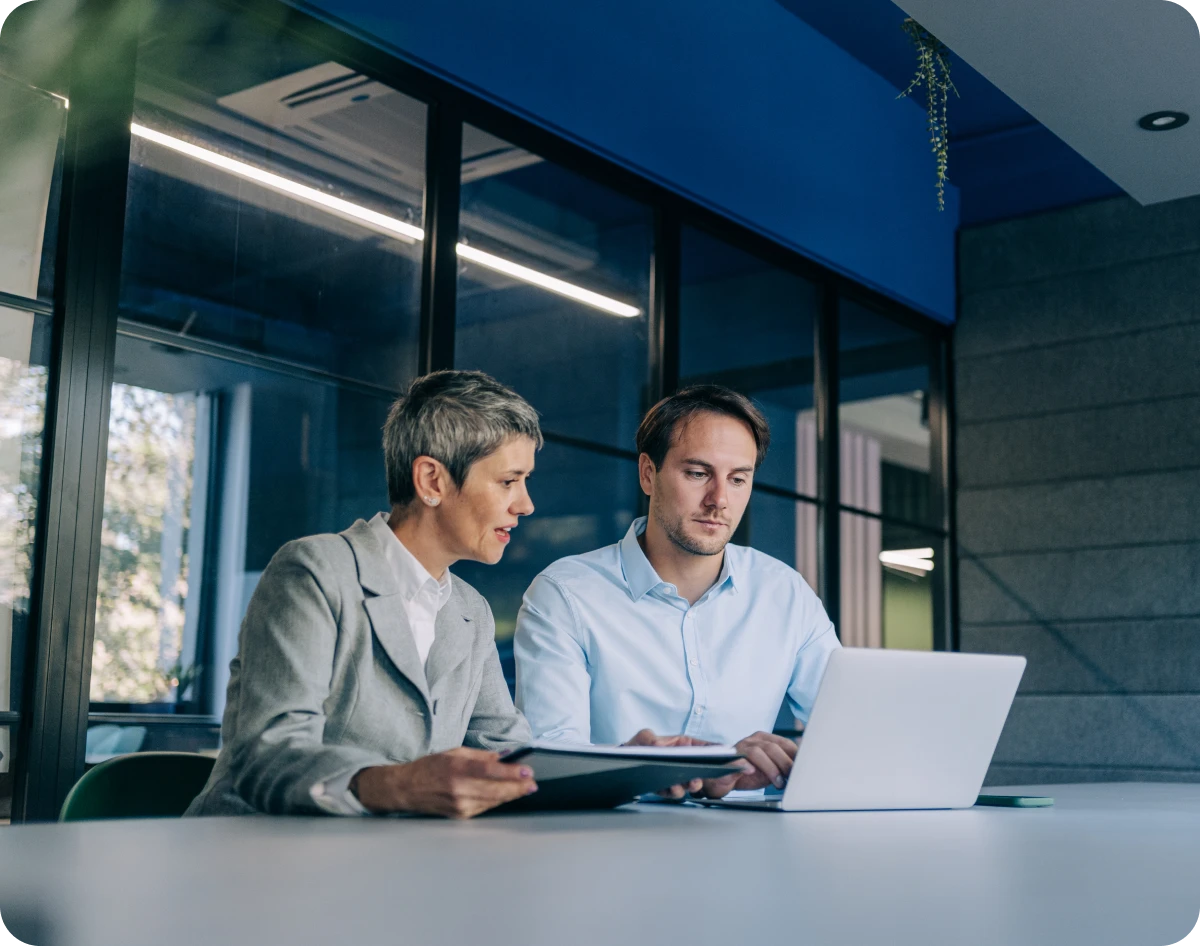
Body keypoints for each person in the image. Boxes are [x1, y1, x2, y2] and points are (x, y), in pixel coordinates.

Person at [187, 370, 541, 818]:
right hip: (264, 861)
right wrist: (400, 784)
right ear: (432, 481)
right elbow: (269, 754)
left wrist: (621, 766)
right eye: (509, 481)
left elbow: (513, 758)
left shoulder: (471, 610)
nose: (525, 504)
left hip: (398, 867)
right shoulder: (314, 572)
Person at [513, 385, 840, 798]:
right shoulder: (565, 594)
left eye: (738, 479)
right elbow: (550, 765)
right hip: (609, 842)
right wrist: (647, 767)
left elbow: (854, 731)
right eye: (698, 474)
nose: (719, 500)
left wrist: (792, 763)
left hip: (753, 847)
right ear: (648, 473)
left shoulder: (784, 593)